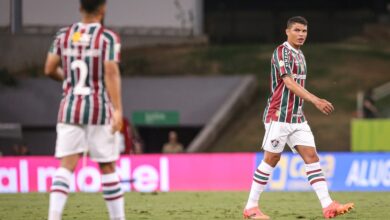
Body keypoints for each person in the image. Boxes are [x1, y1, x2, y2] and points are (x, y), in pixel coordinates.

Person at [243, 16, 354, 219]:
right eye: (297, 30)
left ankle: (328, 205)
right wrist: (316, 100)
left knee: (311, 157)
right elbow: (289, 84)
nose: (301, 34)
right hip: (279, 116)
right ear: (287, 31)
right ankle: (251, 207)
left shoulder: (301, 55)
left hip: (297, 118)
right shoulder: (281, 52)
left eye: (304, 31)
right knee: (271, 159)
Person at [44, 0, 125, 219]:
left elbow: (49, 68)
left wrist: (67, 79)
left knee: (67, 165)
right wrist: (118, 110)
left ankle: (53, 216)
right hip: (98, 108)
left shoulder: (63, 35)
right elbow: (110, 72)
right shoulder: (107, 38)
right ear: (103, 8)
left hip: (70, 108)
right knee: (107, 166)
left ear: (80, 8)